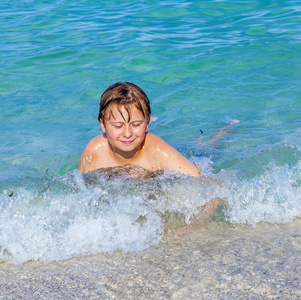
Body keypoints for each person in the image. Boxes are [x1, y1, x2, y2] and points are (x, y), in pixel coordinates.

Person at [78, 82, 201, 177]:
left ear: (147, 123)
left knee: (204, 145)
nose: (127, 134)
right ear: (103, 124)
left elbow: (198, 178)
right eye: (118, 126)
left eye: (136, 124)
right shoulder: (95, 151)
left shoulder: (157, 151)